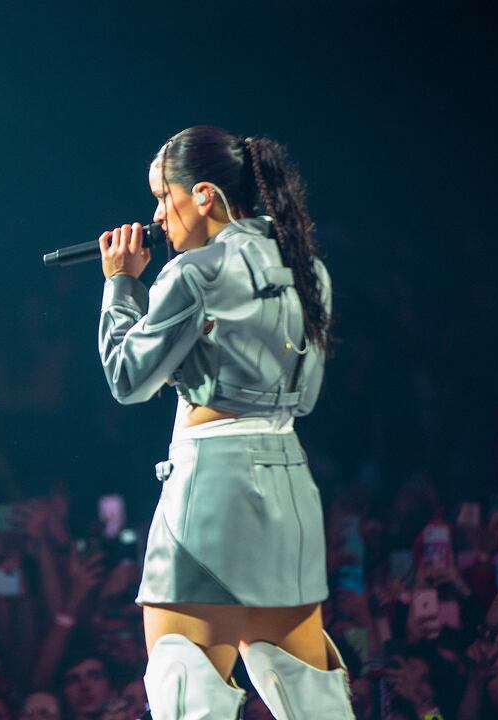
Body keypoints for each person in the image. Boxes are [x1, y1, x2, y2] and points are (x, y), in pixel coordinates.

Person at [96, 124, 345, 719]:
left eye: (164, 196)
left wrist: (121, 285)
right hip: (289, 490)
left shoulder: (193, 272)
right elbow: (305, 395)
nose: (158, 216)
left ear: (204, 195)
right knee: (313, 701)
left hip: (211, 489)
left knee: (185, 683)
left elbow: (127, 378)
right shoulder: (308, 269)